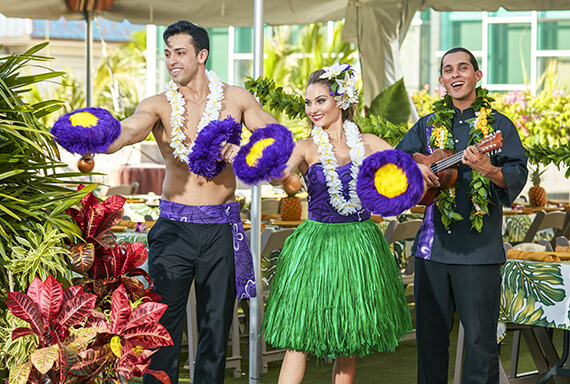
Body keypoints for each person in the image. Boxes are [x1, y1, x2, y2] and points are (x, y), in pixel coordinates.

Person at [104, 21, 278, 384]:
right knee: (162, 324)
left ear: (202, 55)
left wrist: (242, 150)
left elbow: (276, 142)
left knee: (216, 326)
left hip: (220, 227)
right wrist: (94, 138)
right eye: (167, 53)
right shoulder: (158, 105)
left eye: (180, 52)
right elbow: (127, 131)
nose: (171, 60)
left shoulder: (237, 99)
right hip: (174, 230)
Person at [262, 64, 413, 384]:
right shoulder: (305, 146)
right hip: (316, 245)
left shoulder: (369, 142)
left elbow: (404, 170)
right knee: (298, 338)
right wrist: (280, 173)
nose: (312, 109)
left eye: (320, 101)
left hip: (359, 245)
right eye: (308, 102)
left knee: (349, 338)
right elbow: (282, 176)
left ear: (342, 100)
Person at [396, 47, 528, 384]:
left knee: (481, 343)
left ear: (477, 75)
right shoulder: (426, 126)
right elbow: (395, 163)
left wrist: (490, 170)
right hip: (432, 251)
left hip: (479, 252)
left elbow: (515, 172)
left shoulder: (498, 126)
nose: (455, 75)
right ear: (441, 80)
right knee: (430, 341)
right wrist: (415, 166)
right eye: (448, 70)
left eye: (463, 68)